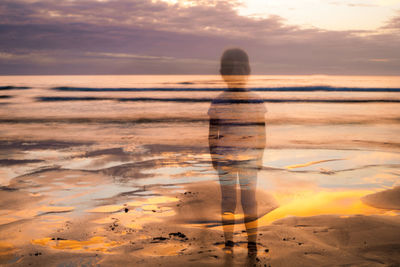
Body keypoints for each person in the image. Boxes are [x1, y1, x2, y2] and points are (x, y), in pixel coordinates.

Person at [208, 48, 267, 255]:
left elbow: (212, 135)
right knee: (249, 202)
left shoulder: (218, 101)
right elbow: (262, 133)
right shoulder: (256, 100)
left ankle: (229, 243)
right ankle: (250, 244)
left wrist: (214, 157)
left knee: (228, 202)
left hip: (226, 159)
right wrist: (259, 156)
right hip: (248, 159)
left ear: (222, 73)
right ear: (248, 72)